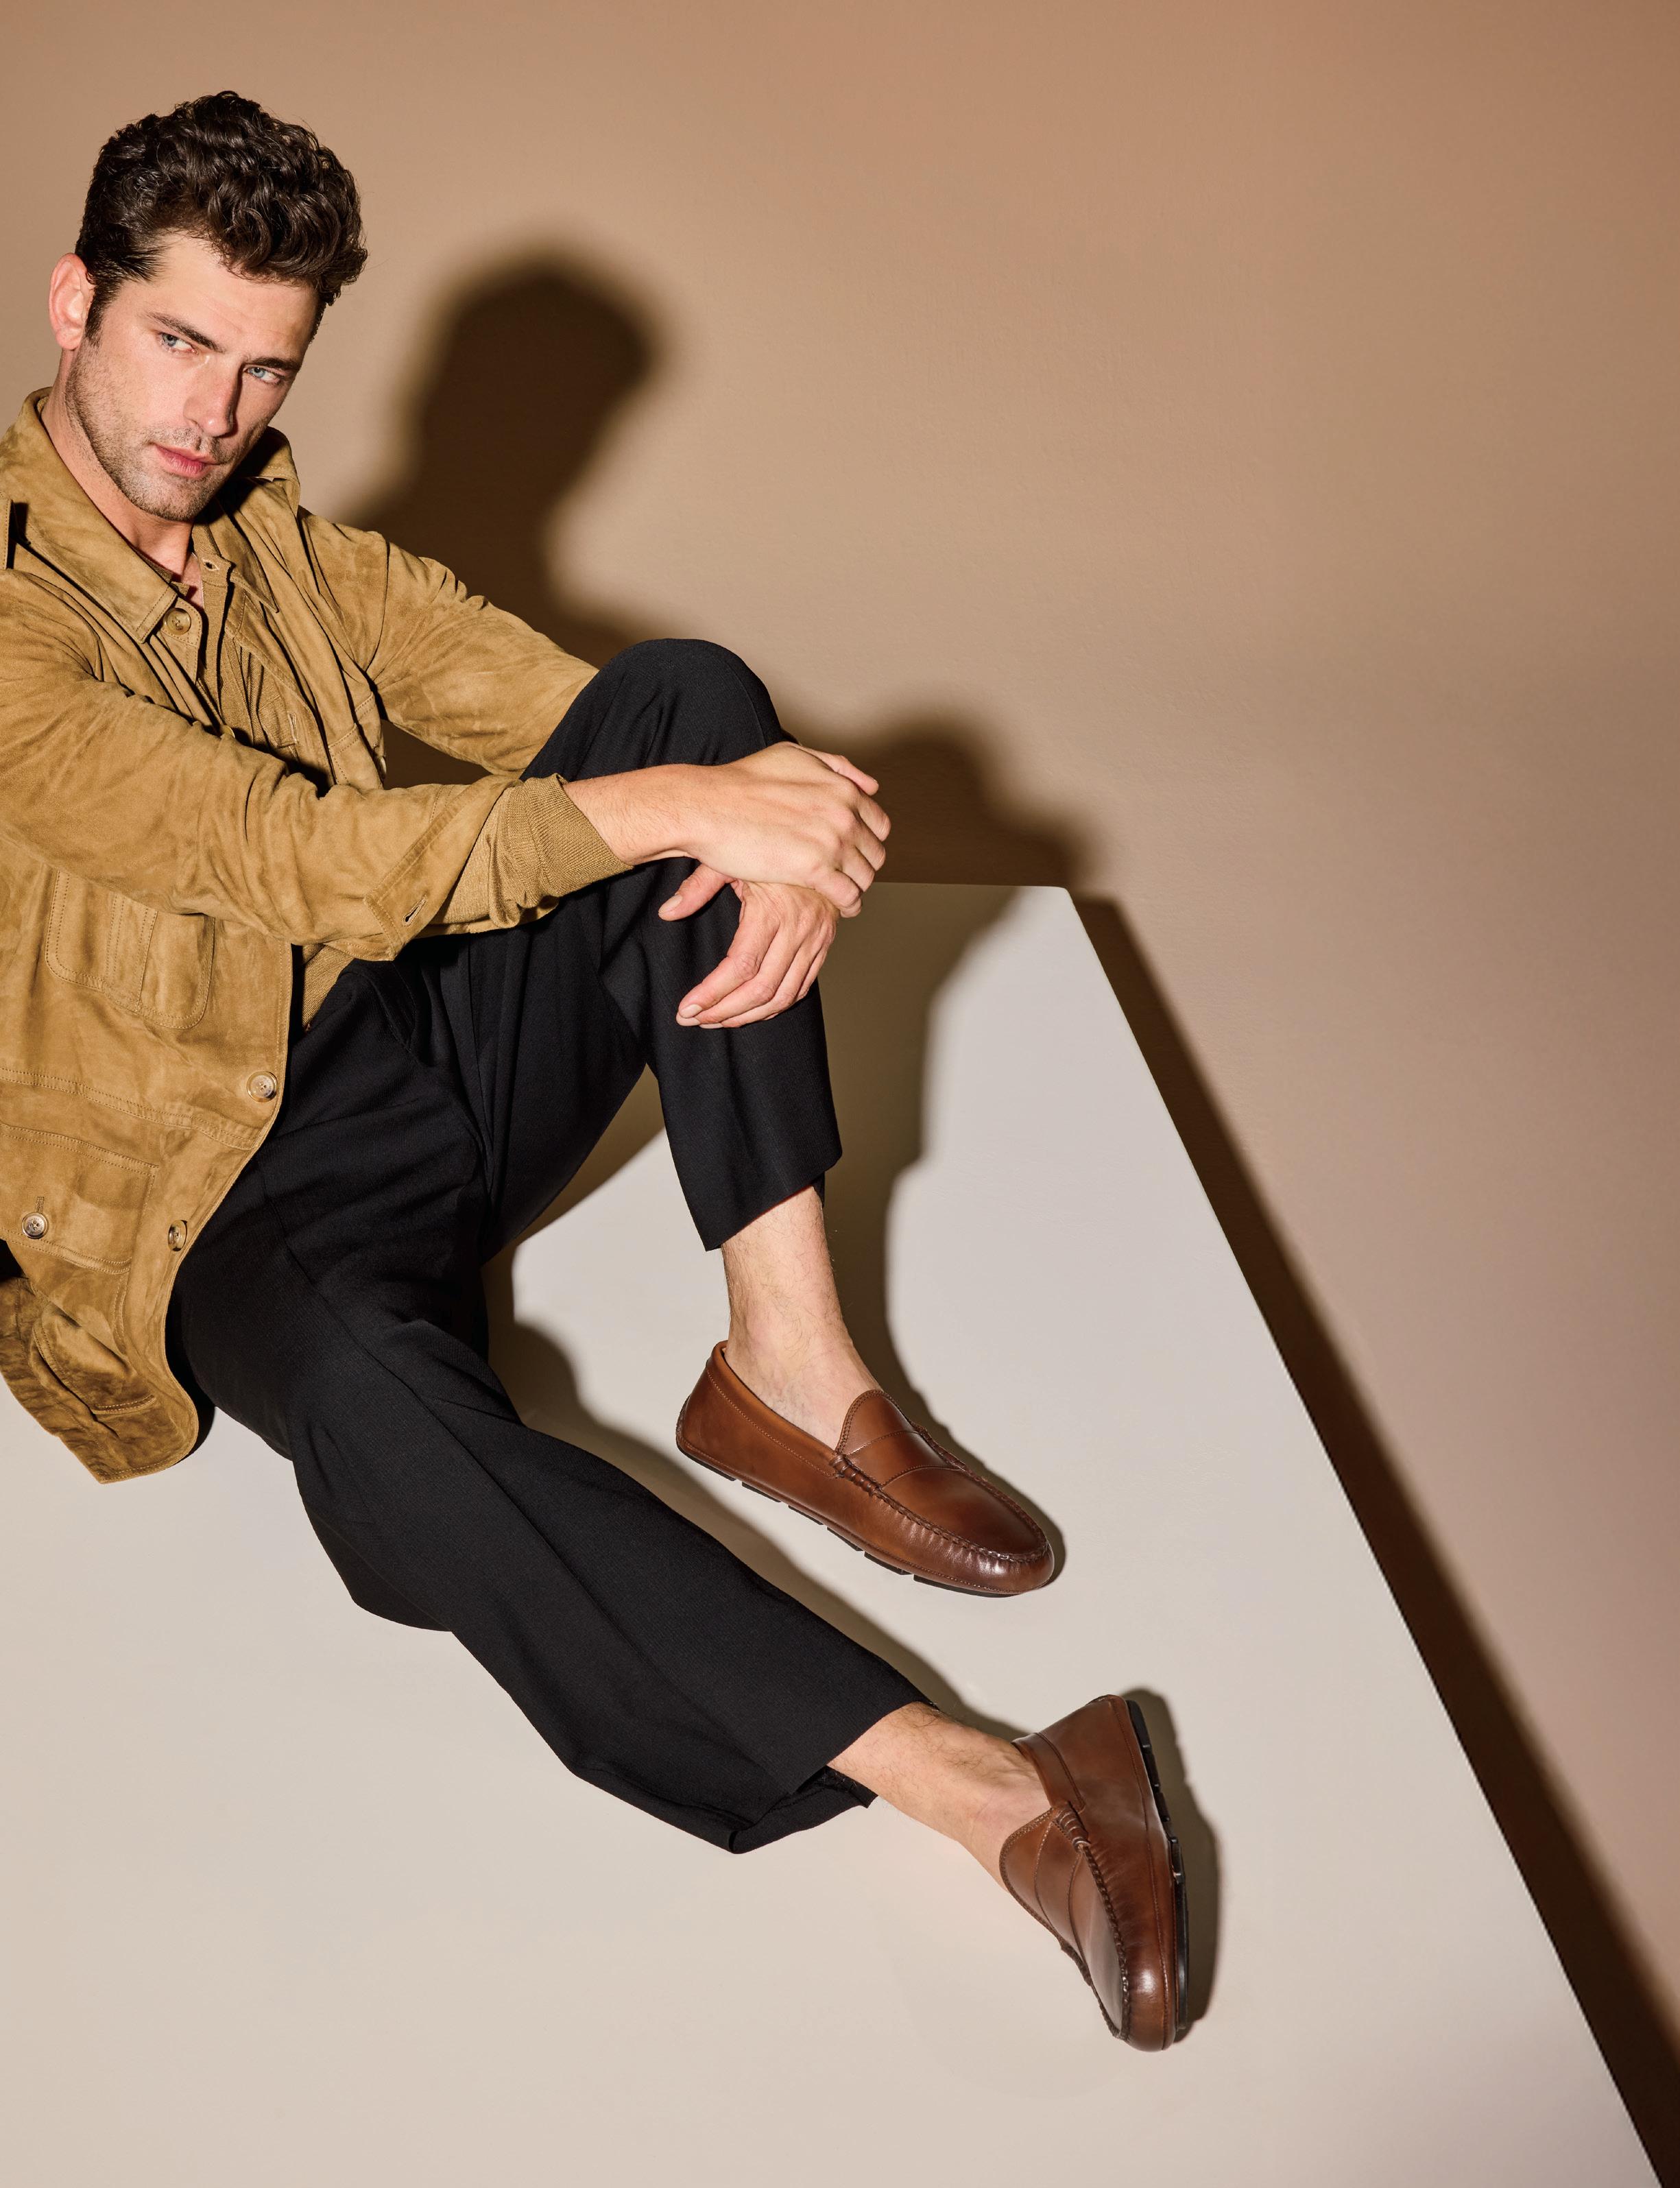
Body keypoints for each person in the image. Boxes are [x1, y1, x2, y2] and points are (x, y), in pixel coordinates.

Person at [0, 91, 1187, 2047]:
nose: (215, 412)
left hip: (410, 1051)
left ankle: (788, 1370)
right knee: (385, 1426)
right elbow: (286, 855)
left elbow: (581, 722)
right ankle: (990, 1790)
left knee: (688, 700)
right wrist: (706, 817)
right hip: (211, 1202)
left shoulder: (272, 538)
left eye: (265, 366)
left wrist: (755, 810)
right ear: (75, 304)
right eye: (178, 341)